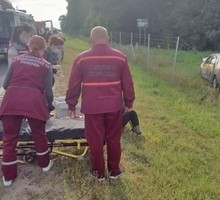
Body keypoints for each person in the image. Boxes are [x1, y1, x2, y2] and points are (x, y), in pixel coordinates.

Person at [65, 26, 135, 181]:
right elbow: (128, 83)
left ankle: (98, 173)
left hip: (92, 107)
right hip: (114, 106)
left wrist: (71, 104)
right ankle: (114, 171)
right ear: (107, 39)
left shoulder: (82, 58)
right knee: (113, 138)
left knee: (95, 139)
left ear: (91, 39)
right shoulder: (120, 57)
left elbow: (74, 84)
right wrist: (129, 101)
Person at [0, 35, 55, 187]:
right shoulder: (46, 65)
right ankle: (44, 165)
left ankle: (8, 177)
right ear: (43, 48)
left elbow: (5, 85)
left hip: (12, 100)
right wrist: (49, 105)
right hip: (33, 102)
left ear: (28, 46)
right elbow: (49, 92)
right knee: (39, 134)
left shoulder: (16, 61)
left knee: (9, 138)